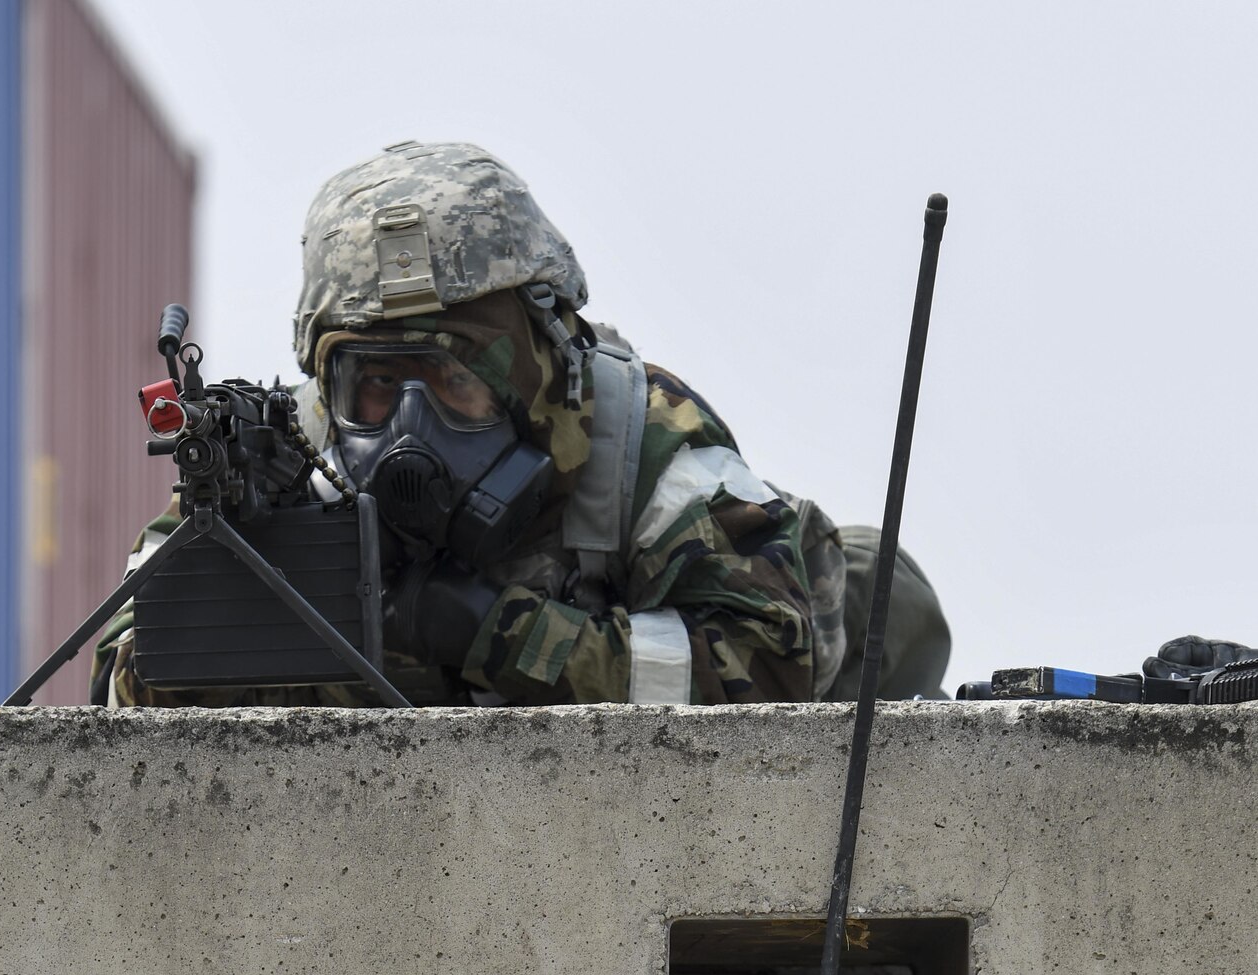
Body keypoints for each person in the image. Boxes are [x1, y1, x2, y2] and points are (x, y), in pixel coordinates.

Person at [92, 140, 950, 709]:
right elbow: (120, 676)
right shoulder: (289, 458)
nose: (408, 437)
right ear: (327, 378)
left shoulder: (635, 440)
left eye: (452, 378)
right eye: (378, 387)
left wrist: (504, 634)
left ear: (542, 365)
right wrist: (267, 607)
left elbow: (770, 662)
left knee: (885, 604)